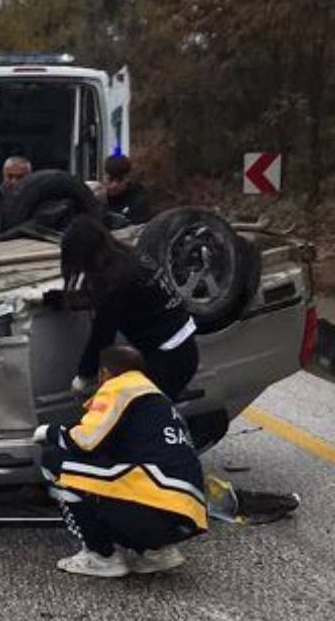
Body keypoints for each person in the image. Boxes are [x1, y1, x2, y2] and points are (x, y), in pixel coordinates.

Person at [36, 344, 207, 578]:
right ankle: (155, 552)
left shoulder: (120, 387)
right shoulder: (156, 397)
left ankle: (101, 556)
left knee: (55, 460)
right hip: (187, 513)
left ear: (104, 373)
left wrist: (50, 432)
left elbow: (84, 441)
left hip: (155, 504)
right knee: (109, 467)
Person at [59, 215, 199, 400]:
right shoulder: (132, 258)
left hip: (167, 358)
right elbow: (97, 300)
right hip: (183, 348)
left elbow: (101, 336)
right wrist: (53, 298)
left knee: (133, 414)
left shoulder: (115, 283)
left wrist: (84, 376)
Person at [102, 155, 152, 225]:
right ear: (103, 177)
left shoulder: (139, 199)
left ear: (128, 178)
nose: (114, 185)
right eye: (110, 179)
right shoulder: (96, 196)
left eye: (120, 180)